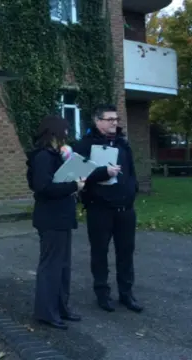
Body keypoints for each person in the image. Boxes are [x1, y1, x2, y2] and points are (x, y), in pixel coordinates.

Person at [74, 104, 144, 313]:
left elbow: (130, 171)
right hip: (100, 209)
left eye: (116, 119)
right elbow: (77, 175)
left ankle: (126, 294)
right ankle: (102, 294)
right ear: (98, 121)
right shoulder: (84, 146)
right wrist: (103, 172)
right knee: (100, 253)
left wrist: (133, 189)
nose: (115, 122)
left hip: (125, 209)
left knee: (126, 253)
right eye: (110, 119)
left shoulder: (123, 144)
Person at [26, 114, 85, 330]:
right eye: (65, 130)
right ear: (55, 132)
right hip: (51, 218)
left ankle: (61, 307)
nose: (67, 135)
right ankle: (46, 312)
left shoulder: (55, 155)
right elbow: (44, 187)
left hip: (61, 217)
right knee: (51, 267)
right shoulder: (43, 157)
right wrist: (73, 186)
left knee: (63, 266)